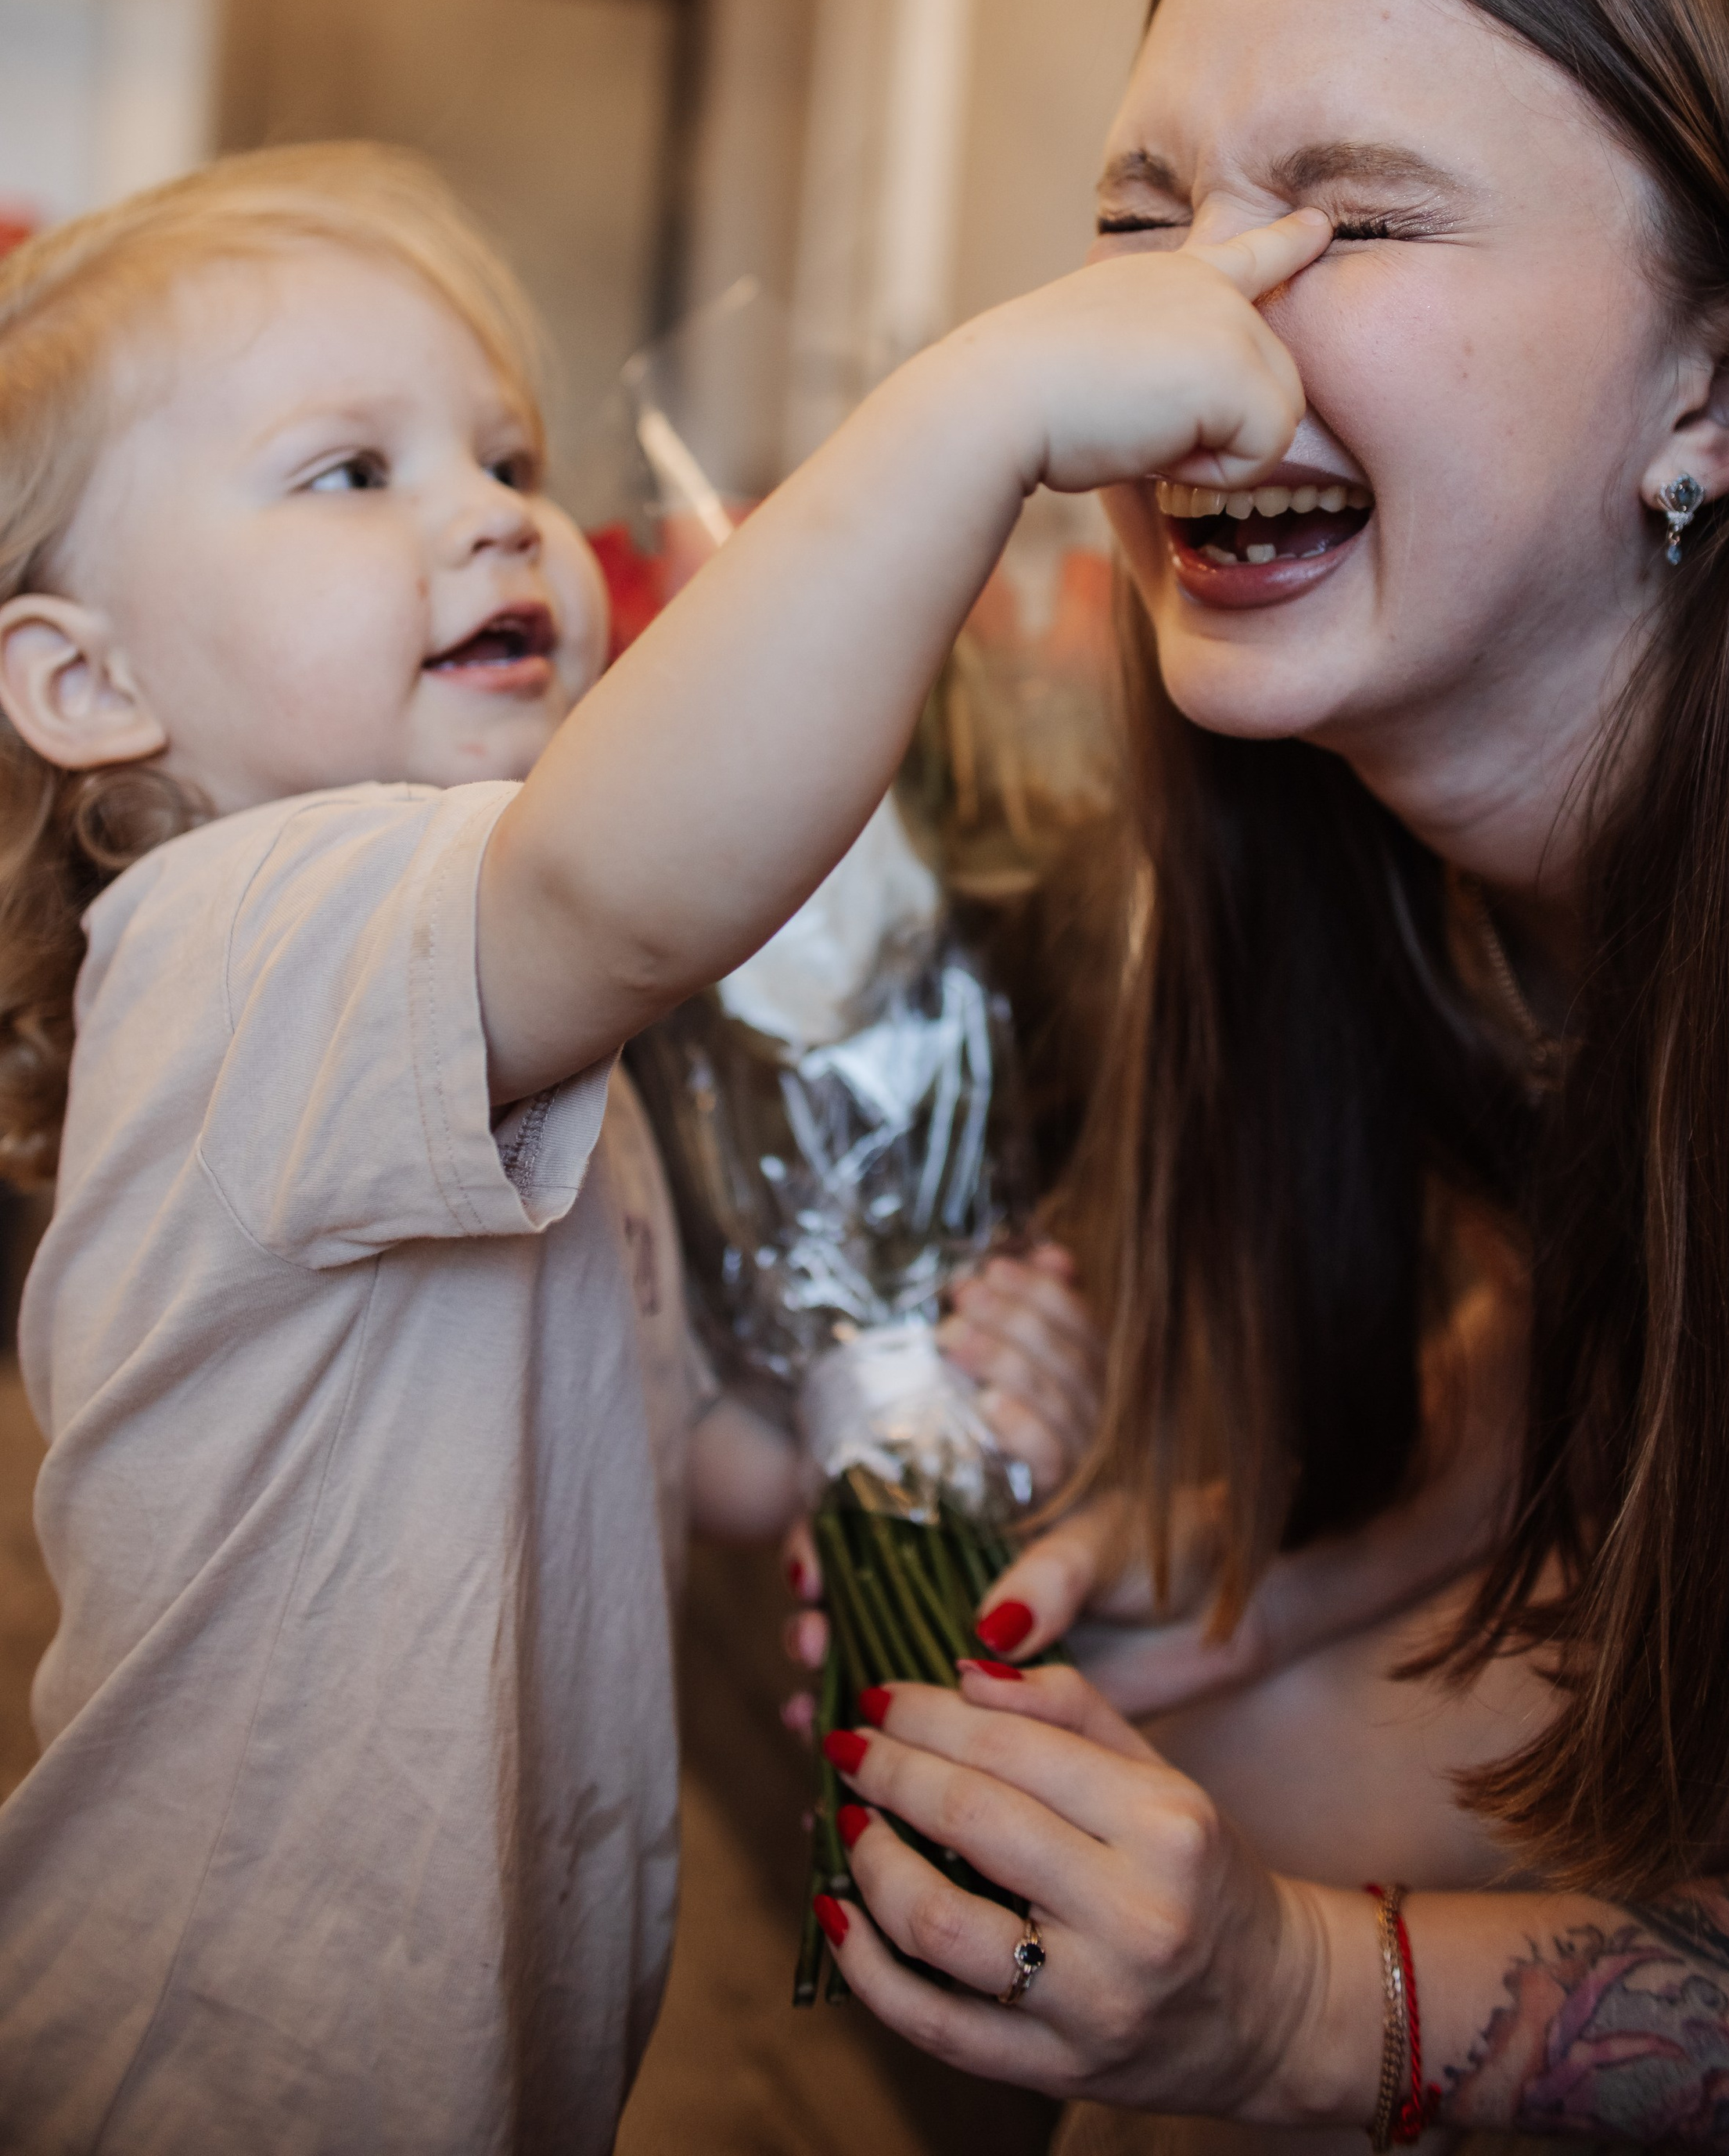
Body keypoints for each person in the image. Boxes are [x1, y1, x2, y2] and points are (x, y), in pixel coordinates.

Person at [796, 0, 1729, 2147]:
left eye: (1354, 216)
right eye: (1144, 221)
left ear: (1717, 400)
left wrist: (1305, 2009)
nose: (1183, 323)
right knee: (1178, 1777)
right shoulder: (1391, 809)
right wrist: (1230, 1568)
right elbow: (1626, 1293)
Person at [0, 142, 1321, 2154]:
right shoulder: (236, 951)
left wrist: (907, 1405)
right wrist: (985, 410)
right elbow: (624, 877)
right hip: (211, 2074)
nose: (495, 520)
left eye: (507, 456)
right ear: (85, 682)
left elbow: (682, 1452)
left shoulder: (499, 1044)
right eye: (351, 473)